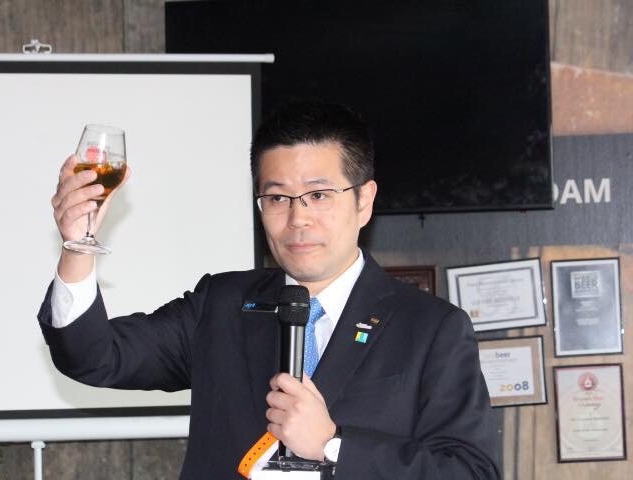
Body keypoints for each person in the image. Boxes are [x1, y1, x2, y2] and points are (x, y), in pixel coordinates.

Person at [38, 100, 500, 479]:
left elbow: (470, 472)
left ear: (364, 201)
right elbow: (94, 356)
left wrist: (333, 445)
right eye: (277, 198)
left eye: (319, 195)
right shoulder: (222, 305)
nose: (298, 219)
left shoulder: (431, 328)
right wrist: (78, 247)